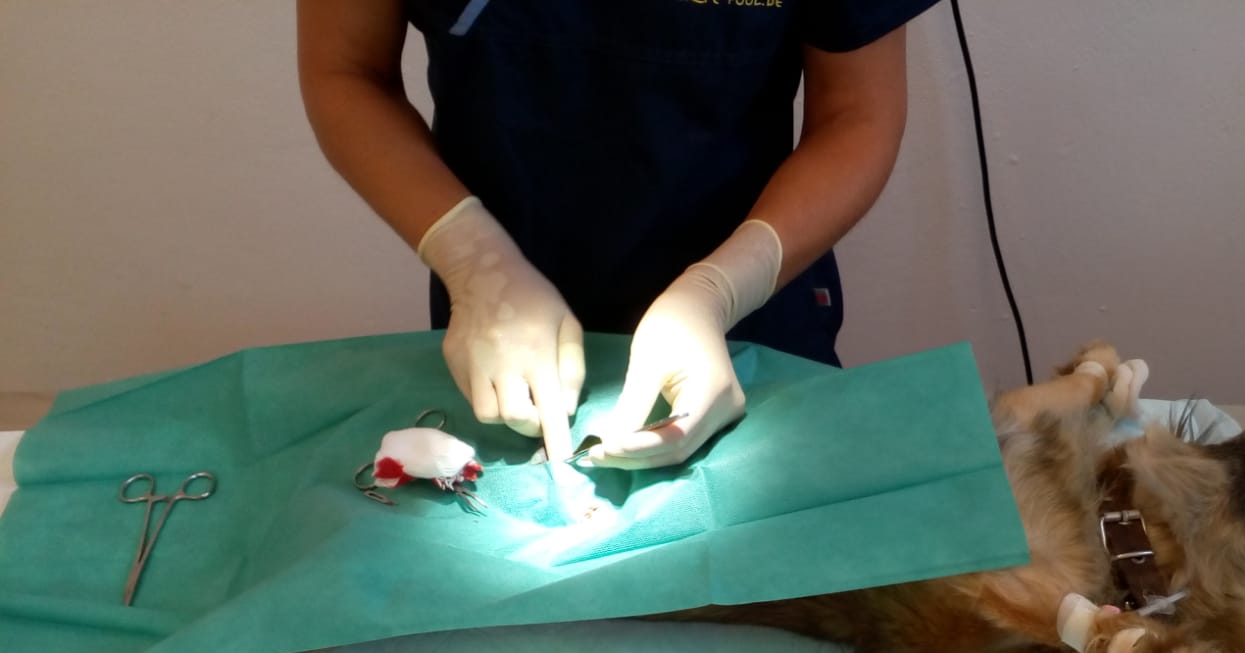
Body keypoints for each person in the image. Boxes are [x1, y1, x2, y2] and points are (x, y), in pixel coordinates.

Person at [297, 0, 940, 469]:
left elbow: (857, 114)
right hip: (503, 326)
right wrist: (473, 260)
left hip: (755, 307)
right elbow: (346, 69)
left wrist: (719, 290)